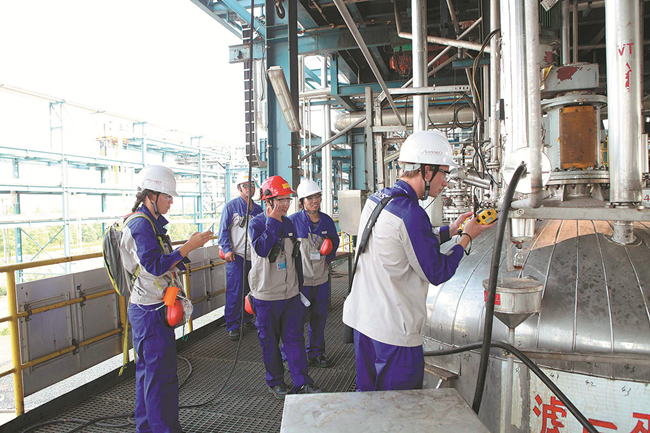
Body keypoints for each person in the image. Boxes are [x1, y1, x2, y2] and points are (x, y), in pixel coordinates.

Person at [342, 130, 494, 392]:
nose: (445, 182)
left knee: (367, 408)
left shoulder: (377, 201)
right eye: (443, 173)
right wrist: (468, 236)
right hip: (394, 335)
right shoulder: (411, 214)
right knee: (401, 413)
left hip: (363, 324)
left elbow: (404, 244)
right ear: (426, 171)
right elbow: (437, 271)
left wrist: (453, 229)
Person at [121, 165, 212, 433]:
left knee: (148, 376)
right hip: (150, 312)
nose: (171, 201)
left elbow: (160, 261)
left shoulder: (150, 223)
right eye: (168, 196)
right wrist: (189, 247)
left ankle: (147, 428)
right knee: (160, 378)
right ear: (151, 195)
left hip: (150, 307)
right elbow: (153, 264)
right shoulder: (140, 224)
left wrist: (184, 252)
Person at [248, 175, 323, 399]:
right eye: (281, 200)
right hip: (266, 297)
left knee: (295, 340)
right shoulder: (256, 224)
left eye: (288, 200)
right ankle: (276, 382)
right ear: (268, 201)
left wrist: (298, 287)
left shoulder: (289, 223)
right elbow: (262, 249)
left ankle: (302, 382)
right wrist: (272, 222)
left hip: (290, 295)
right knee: (269, 343)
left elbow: (295, 258)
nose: (286, 204)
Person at [287, 179, 340, 368]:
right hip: (301, 282)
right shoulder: (292, 222)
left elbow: (334, 240)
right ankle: (290, 357)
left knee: (319, 319)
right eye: (310, 198)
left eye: (317, 196)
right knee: (296, 321)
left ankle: (315, 354)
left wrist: (329, 255)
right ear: (302, 201)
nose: (314, 201)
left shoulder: (326, 220)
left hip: (321, 280)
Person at [218, 173, 263, 341]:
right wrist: (227, 249)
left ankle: (248, 318)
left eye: (252, 185)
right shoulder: (231, 207)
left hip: (255, 257)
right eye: (245, 185)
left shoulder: (258, 210)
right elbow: (222, 231)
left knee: (253, 289)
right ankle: (233, 325)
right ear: (239, 189)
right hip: (236, 257)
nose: (249, 188)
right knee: (235, 292)